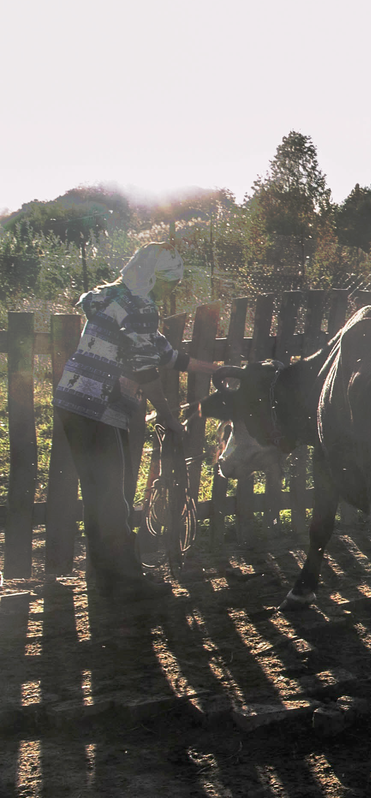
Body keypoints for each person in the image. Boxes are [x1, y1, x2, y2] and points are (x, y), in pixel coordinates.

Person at [52, 242, 222, 601]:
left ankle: (104, 579)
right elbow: (146, 369)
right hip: (99, 406)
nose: (172, 291)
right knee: (115, 495)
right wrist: (169, 416)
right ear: (156, 278)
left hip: (72, 400)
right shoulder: (142, 307)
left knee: (98, 493)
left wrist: (213, 369)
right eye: (171, 283)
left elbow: (163, 352)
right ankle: (126, 583)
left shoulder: (114, 299)